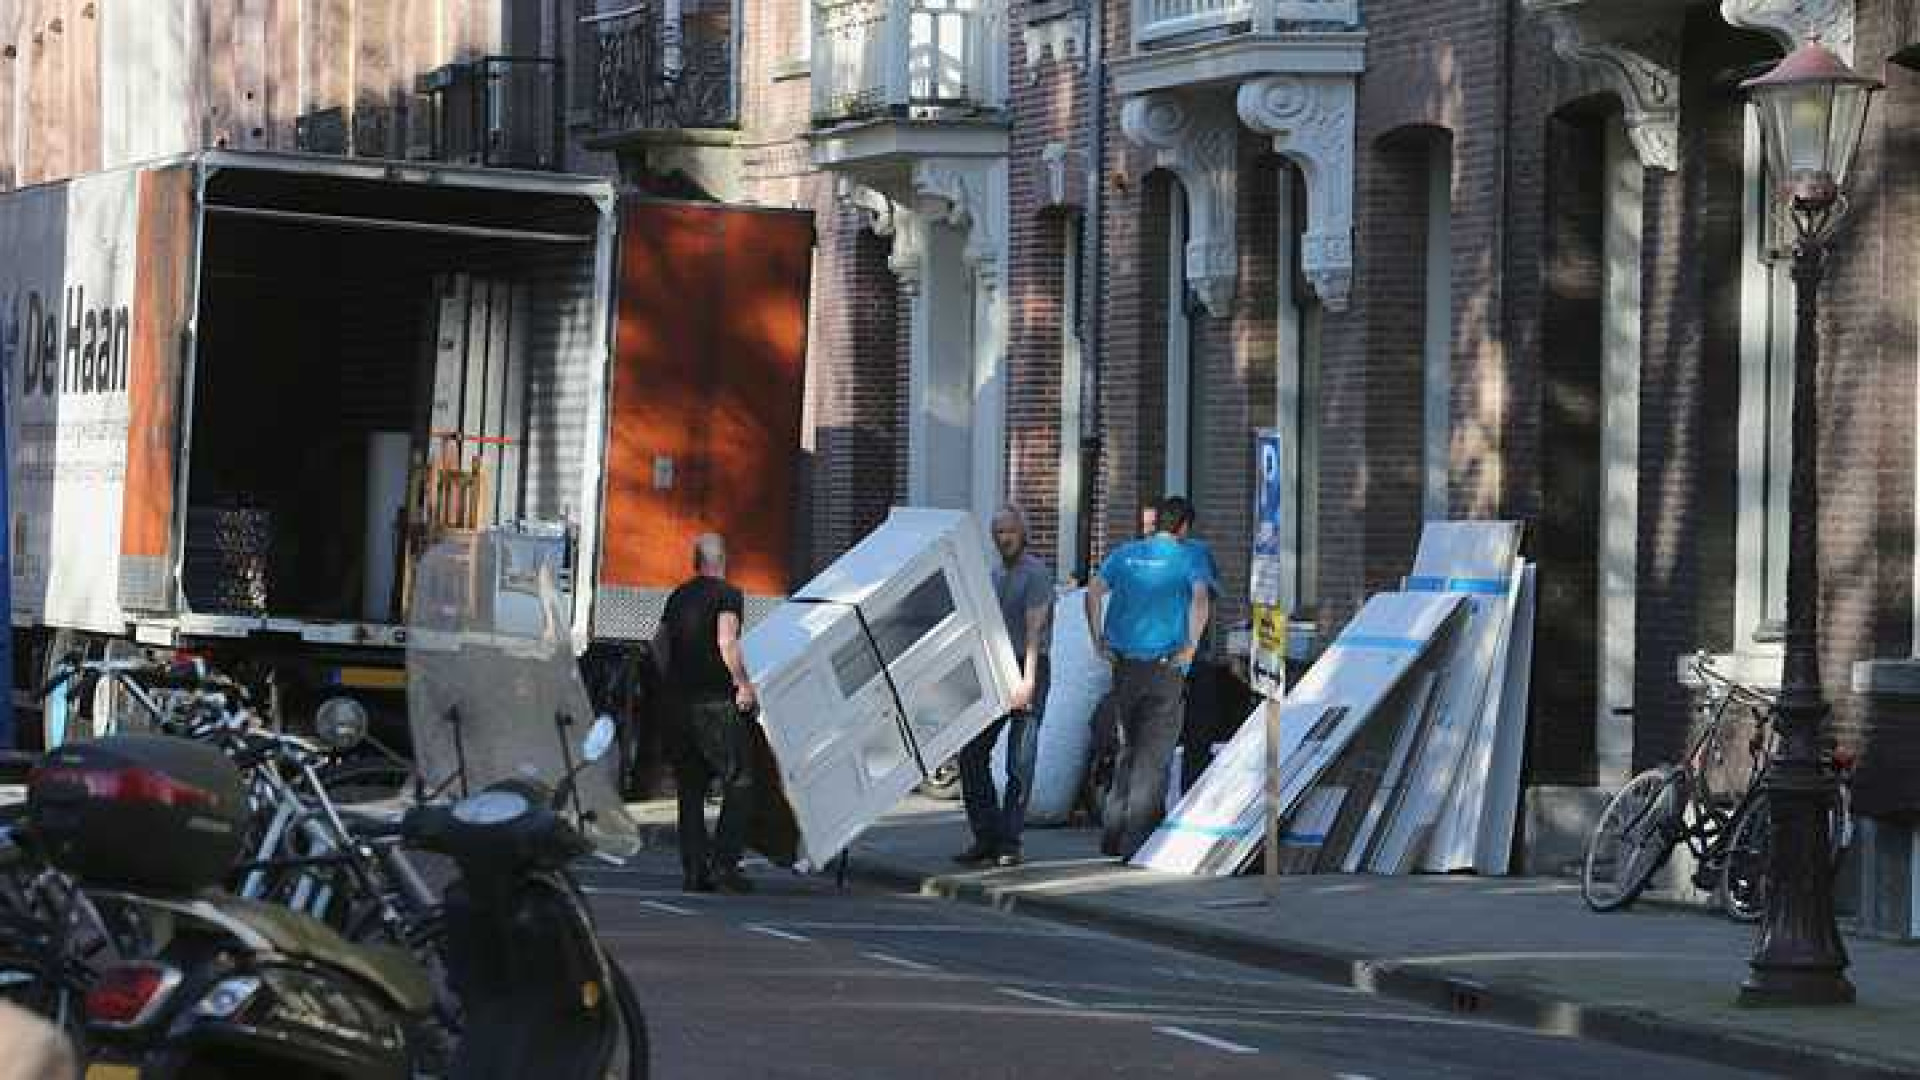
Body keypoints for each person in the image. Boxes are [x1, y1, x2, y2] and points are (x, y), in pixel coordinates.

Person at [1084, 495, 1211, 858]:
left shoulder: (1125, 555)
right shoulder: (1190, 557)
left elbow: (1093, 591)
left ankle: (1112, 833)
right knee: (1154, 759)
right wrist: (1191, 646)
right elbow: (1200, 599)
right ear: (1184, 526)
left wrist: (1098, 639)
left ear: (1158, 524)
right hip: (1164, 666)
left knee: (1128, 749)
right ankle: (1138, 844)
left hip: (1124, 667)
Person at [657, 533, 760, 893]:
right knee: (740, 779)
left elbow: (660, 644)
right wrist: (742, 683)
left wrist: (672, 679)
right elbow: (726, 640)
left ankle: (694, 870)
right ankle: (725, 865)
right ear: (723, 561)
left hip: (678, 704)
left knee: (690, 788)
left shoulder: (678, 595)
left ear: (695, 561)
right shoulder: (727, 595)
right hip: (714, 702)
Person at [954, 506, 1054, 868]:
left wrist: (1026, 682)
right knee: (972, 752)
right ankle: (987, 834)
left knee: (1019, 759)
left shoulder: (1036, 574)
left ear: (1022, 534)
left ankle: (1010, 842)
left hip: (1029, 667)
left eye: (1010, 531)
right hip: (998, 666)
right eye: (998, 532)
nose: (1004, 538)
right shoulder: (995, 575)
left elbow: (1034, 631)